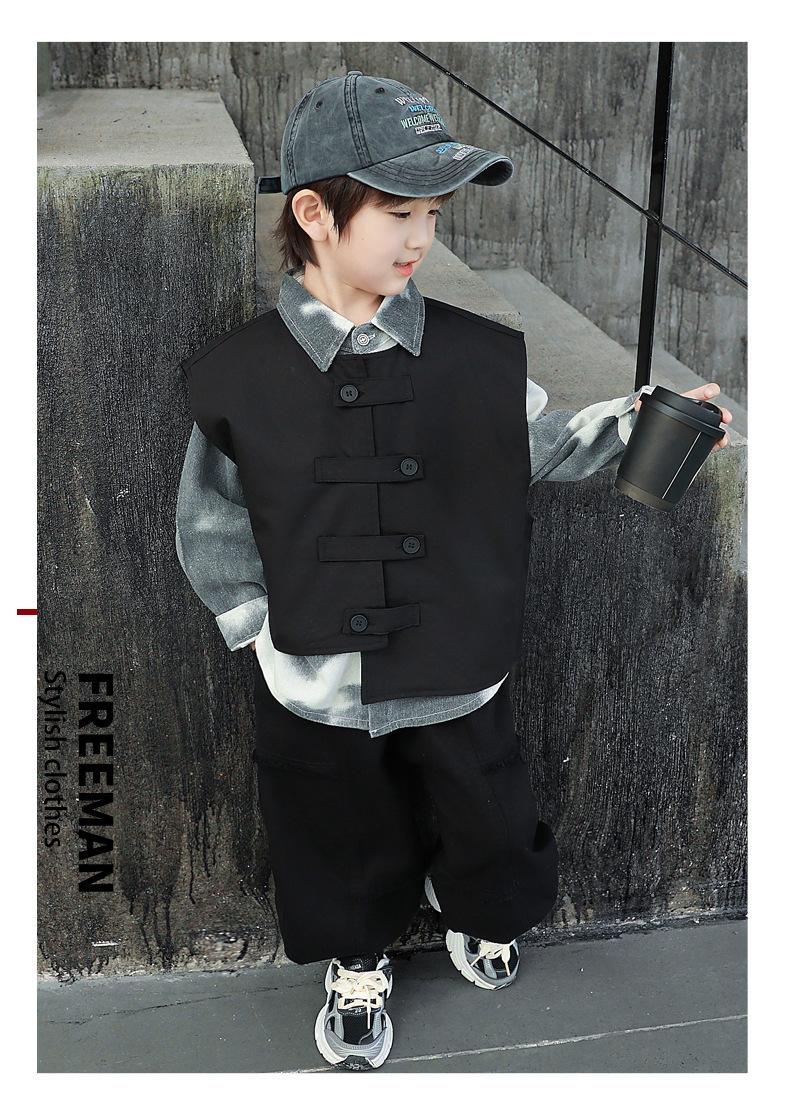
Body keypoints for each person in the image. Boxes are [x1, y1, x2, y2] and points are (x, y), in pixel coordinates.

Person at [175, 70, 731, 1072]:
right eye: (398, 212)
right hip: (312, 676)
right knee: (335, 831)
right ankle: (356, 956)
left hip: (459, 655)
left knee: (489, 814)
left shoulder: (476, 359)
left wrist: (645, 424)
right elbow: (210, 516)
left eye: (433, 214)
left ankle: (478, 906)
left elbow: (546, 444)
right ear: (314, 214)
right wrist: (256, 629)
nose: (420, 237)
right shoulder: (241, 377)